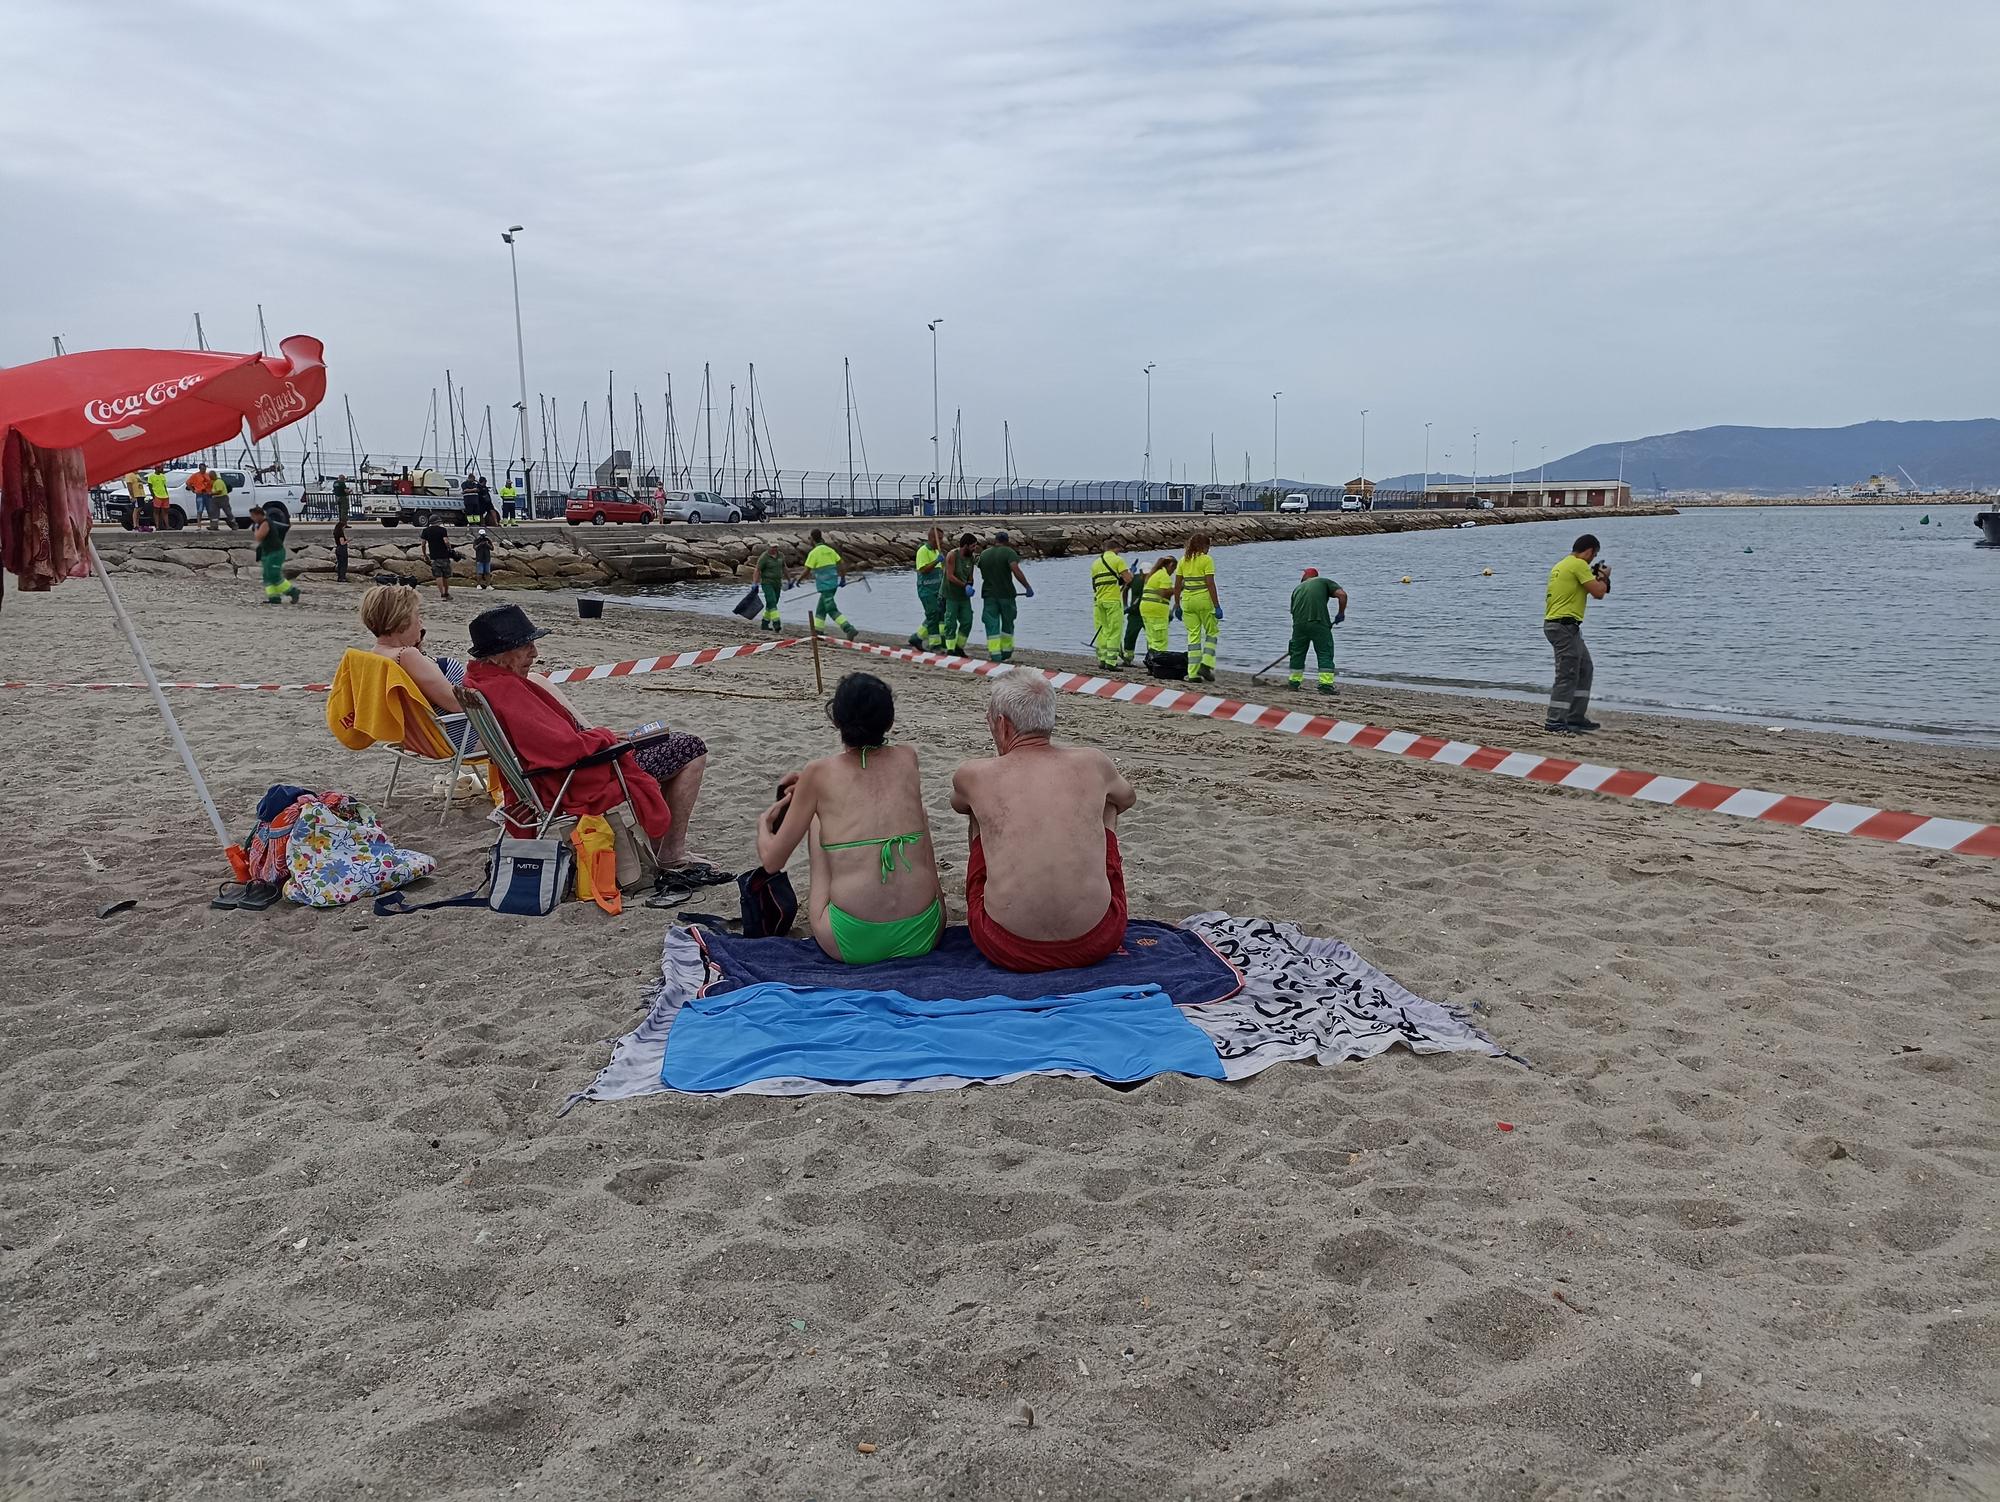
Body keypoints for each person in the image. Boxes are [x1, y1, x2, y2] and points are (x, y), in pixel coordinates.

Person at [463, 604, 711, 874]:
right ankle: (671, 854)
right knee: (691, 748)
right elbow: (562, 748)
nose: (534, 653)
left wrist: (597, 736)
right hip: (573, 779)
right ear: (501, 654)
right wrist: (603, 737)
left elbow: (548, 742)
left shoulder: (480, 682)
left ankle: (659, 848)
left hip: (542, 780)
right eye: (525, 646)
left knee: (661, 742)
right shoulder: (506, 689)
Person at [951, 672, 1136, 972]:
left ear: (1002, 723)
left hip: (1006, 945)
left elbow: (958, 804)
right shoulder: (1093, 761)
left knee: (977, 812)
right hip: (1098, 939)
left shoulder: (974, 774)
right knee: (1108, 805)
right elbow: (1127, 798)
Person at [757, 673, 943, 963]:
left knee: (819, 819)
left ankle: (830, 909)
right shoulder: (908, 757)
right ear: (889, 722)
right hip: (923, 931)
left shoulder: (818, 773)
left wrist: (764, 826)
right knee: (918, 814)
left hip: (853, 940)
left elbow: (772, 862)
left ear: (836, 721)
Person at [359, 583, 468, 713]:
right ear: (401, 619)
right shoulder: (407, 656)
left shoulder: (372, 656)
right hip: (443, 732)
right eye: (416, 615)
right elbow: (457, 704)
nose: (420, 622)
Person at [1544, 533, 1610, 734]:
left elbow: (1587, 588)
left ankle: (1575, 717)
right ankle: (1554, 721)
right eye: (1594, 555)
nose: (1592, 559)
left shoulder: (1562, 564)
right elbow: (1599, 593)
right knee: (1567, 674)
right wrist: (1604, 576)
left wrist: (1596, 577)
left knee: (1585, 669)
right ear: (1589, 551)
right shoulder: (1578, 565)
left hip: (1564, 626)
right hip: (1563, 626)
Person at [1287, 567, 1347, 694]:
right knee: (1325, 652)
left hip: (1298, 625)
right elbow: (1342, 595)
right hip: (1318, 622)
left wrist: (1298, 636)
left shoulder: (1297, 589)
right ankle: (1325, 686)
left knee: (1297, 653)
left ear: (1304, 578)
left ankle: (1293, 683)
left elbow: (1293, 611)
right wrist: (1341, 613)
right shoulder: (1323, 581)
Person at [975, 529, 1032, 662]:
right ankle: (1006, 652)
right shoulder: (1009, 553)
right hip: (1006, 595)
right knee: (1008, 622)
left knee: (991, 623)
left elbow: (977, 565)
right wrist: (1027, 587)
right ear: (1006, 542)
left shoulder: (984, 554)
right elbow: (1016, 570)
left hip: (989, 595)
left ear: (995, 541)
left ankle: (995, 654)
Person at [1175, 532, 1222, 683]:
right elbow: (1210, 583)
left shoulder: (1183, 560)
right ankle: (1206, 664)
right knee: (1212, 632)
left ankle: (1193, 673)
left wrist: (1177, 604)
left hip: (1187, 600)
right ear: (1204, 546)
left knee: (1193, 636)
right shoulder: (1206, 560)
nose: (1209, 550)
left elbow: (1177, 585)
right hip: (1203, 599)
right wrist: (1217, 605)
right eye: (1208, 546)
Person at [802, 528, 857, 639]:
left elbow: (807, 570)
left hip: (825, 586)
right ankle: (818, 631)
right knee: (821, 609)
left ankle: (848, 628)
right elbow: (841, 563)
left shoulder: (814, 553)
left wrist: (798, 580)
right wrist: (842, 578)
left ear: (812, 539)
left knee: (831, 609)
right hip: (833, 584)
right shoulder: (830, 550)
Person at [1088, 542, 1133, 671]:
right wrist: (1130, 575)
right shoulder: (1118, 560)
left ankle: (1102, 659)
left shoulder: (1095, 563)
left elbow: (1094, 584)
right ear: (1116, 548)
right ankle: (1111, 662)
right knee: (1114, 631)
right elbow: (1128, 579)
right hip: (1112, 600)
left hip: (1098, 601)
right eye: (1119, 549)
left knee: (1103, 630)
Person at [250, 505, 301, 605]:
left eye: (253, 516)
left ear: (259, 515)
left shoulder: (265, 523)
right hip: (267, 552)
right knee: (267, 576)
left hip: (275, 553)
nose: (252, 518)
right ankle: (274, 597)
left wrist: (256, 529)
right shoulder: (262, 523)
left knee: (274, 575)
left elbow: (259, 537)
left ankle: (292, 591)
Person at [908, 526, 947, 650]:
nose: (941, 542)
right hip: (926, 590)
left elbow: (942, 572)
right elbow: (923, 570)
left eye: (942, 539)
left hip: (938, 590)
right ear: (932, 538)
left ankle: (918, 638)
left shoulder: (937, 552)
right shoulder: (923, 551)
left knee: (940, 615)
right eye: (939, 539)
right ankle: (934, 644)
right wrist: (936, 561)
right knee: (933, 614)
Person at [941, 533, 978, 654]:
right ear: (965, 546)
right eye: (973, 546)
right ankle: (950, 648)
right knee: (950, 622)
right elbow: (950, 576)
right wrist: (965, 586)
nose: (974, 549)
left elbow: (970, 575)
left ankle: (959, 647)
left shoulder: (971, 558)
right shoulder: (952, 555)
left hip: (963, 596)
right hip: (951, 594)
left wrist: (971, 585)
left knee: (967, 621)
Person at [1137, 555, 1177, 658]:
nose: (1172, 572)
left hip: (1146, 609)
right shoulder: (1163, 576)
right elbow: (1164, 593)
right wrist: (1179, 588)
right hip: (1157, 611)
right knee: (1160, 640)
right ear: (1171, 565)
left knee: (1151, 639)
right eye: (1173, 569)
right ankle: (1159, 663)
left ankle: (1151, 663)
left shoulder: (1153, 574)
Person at [754, 542, 789, 632]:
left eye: (776, 547)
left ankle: (765, 623)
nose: (774, 549)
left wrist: (789, 579)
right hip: (767, 583)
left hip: (777, 583)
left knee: (772, 604)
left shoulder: (781, 555)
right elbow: (757, 570)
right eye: (773, 547)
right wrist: (755, 584)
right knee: (772, 601)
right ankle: (776, 623)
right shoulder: (764, 557)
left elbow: (784, 567)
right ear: (768, 547)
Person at [421, 516, 453, 600]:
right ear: (438, 522)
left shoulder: (426, 531)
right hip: (444, 556)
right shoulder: (442, 530)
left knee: (438, 576)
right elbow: (446, 541)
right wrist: (450, 548)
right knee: (445, 576)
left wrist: (424, 554)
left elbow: (423, 544)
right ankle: (446, 593)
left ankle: (442, 594)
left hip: (434, 557)